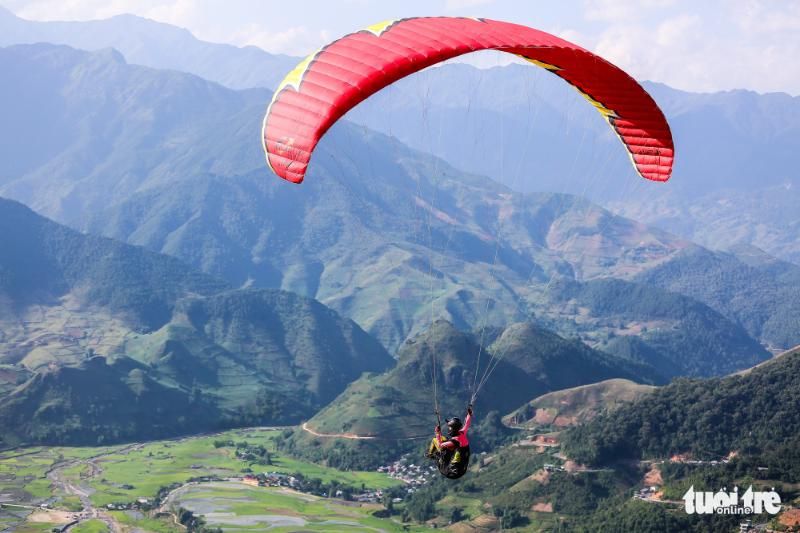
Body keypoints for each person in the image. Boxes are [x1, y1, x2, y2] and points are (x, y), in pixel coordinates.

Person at [426, 405, 473, 479]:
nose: (448, 428)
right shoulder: (462, 433)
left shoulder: (454, 441)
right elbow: (467, 424)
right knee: (446, 443)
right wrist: (469, 414)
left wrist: (437, 433)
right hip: (461, 470)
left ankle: (431, 455)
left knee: (439, 448)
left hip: (451, 472)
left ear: (453, 429)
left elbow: (440, 445)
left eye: (449, 427)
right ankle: (434, 455)